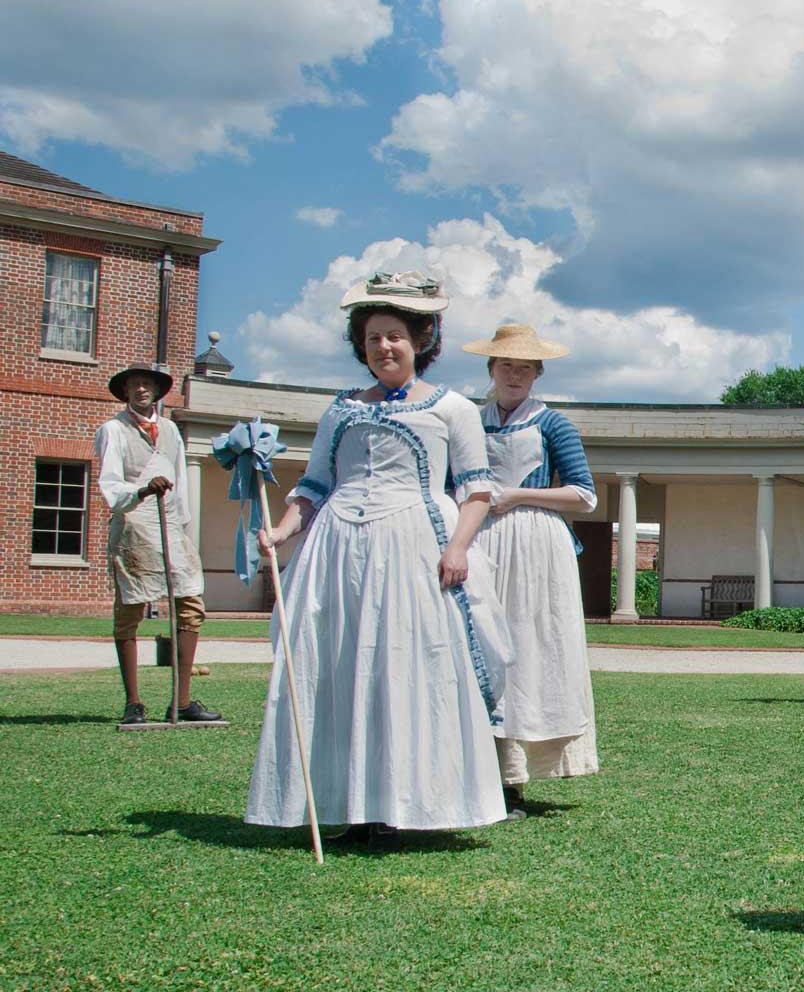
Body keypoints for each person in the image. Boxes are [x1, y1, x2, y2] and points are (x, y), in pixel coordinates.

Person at [246, 271, 512, 843]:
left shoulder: (452, 408)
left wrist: (458, 547)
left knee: (402, 667)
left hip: (412, 544)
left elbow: (476, 490)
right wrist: (282, 532)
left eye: (394, 336)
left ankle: (404, 803)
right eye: (372, 338)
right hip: (339, 547)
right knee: (342, 666)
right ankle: (351, 804)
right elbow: (314, 486)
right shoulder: (341, 409)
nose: (383, 347)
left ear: (420, 340)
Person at [464, 323, 601, 814]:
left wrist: (517, 495)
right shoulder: (469, 421)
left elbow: (583, 494)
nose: (514, 374)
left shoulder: (552, 424)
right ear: (491, 368)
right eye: (506, 365)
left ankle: (512, 777)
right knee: (478, 645)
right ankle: (472, 766)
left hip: (535, 546)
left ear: (538, 373)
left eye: (524, 367)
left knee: (528, 648)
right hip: (478, 537)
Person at [95, 365, 221, 725]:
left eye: (147, 384)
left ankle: (181, 702)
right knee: (131, 608)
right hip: (134, 525)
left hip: (169, 526)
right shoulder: (113, 430)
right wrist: (141, 491)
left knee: (190, 601)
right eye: (134, 385)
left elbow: (180, 480)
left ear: (156, 390)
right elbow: (111, 482)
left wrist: (182, 526)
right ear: (125, 392)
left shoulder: (170, 431)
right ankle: (133, 703)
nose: (141, 389)